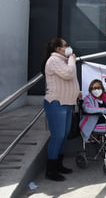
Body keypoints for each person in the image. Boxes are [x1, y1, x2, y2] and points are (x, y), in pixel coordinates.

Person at [43, 37, 80, 181]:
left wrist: (76, 92)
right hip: (56, 103)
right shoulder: (54, 61)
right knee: (57, 136)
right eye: (65, 45)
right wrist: (72, 59)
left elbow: (69, 80)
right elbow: (68, 74)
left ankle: (58, 165)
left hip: (67, 103)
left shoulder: (63, 61)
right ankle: (51, 170)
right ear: (58, 49)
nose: (68, 47)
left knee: (64, 136)